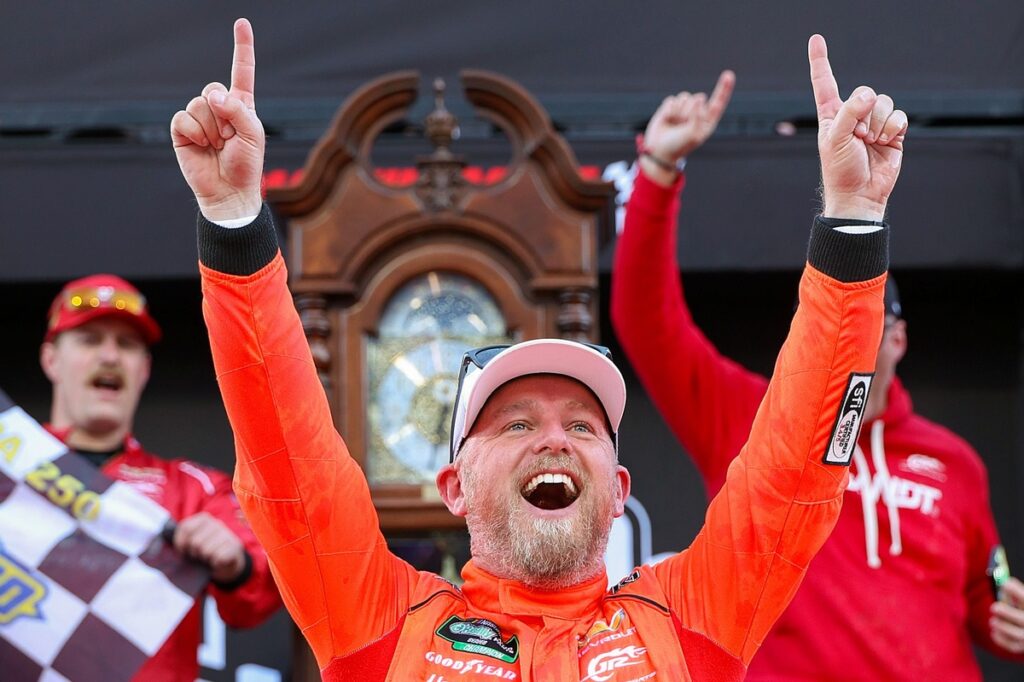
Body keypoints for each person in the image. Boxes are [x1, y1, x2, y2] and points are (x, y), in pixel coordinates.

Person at [171, 19, 898, 680]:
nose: (553, 440)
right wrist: (234, 224)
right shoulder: (386, 625)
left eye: (582, 427)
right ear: (454, 485)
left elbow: (799, 468)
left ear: (618, 491)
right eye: (517, 423)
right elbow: (286, 457)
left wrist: (855, 225)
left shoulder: (691, 619)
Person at [611, 53, 1024, 682]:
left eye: (871, 321)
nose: (853, 333)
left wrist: (1013, 629)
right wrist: (659, 169)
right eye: (840, 314)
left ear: (900, 337)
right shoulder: (745, 415)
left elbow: (985, 607)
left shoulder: (955, 463)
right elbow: (645, 320)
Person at [40, 272, 281, 680]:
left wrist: (233, 564)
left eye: (127, 344)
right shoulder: (10, 470)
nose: (110, 356)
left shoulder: (192, 487)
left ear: (145, 369)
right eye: (90, 339)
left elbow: (256, 596)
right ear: (51, 360)